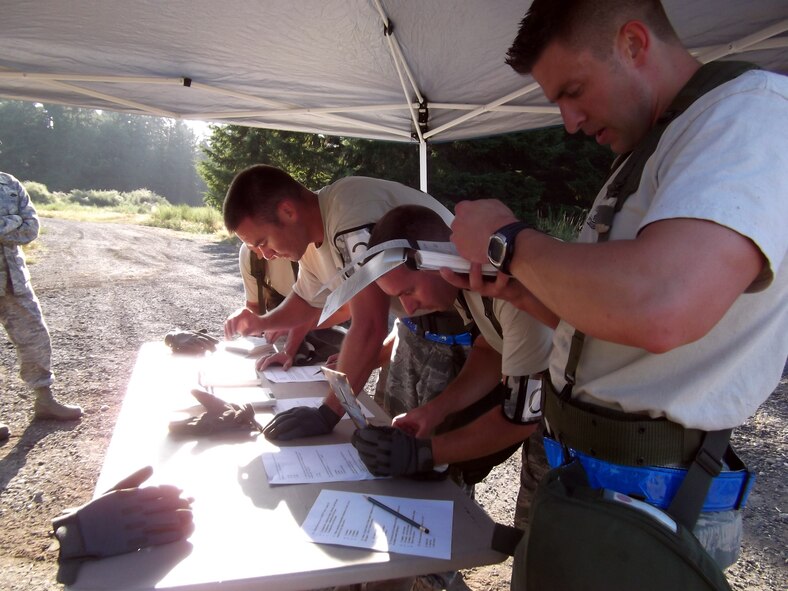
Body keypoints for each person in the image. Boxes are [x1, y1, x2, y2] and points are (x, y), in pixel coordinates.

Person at [444, 0, 787, 574]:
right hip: (594, 480)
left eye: (573, 90)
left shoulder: (747, 115)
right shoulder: (658, 146)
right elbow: (617, 329)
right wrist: (524, 295)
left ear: (633, 43)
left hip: (655, 498)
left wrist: (508, 239)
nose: (570, 121)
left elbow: (661, 309)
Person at [222, 165, 473, 444]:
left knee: (437, 461)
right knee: (399, 440)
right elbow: (307, 301)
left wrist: (327, 413)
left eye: (262, 242)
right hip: (417, 329)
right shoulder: (310, 238)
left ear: (287, 212)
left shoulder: (351, 215)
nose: (264, 255)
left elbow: (369, 326)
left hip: (461, 331)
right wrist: (263, 322)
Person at [349, 205, 554, 532]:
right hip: (553, 392)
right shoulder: (462, 282)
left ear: (436, 259)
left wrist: (424, 453)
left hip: (594, 415)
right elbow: (490, 348)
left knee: (545, 527)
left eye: (408, 291)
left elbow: (520, 419)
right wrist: (435, 411)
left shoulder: (508, 289)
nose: (409, 308)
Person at [1, 172, 83, 441]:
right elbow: (19, 226)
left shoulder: (9, 184)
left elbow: (30, 229)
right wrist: (12, 222)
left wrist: (13, 223)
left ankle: (45, 402)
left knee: (36, 338)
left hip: (14, 282)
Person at [227, 243, 345, 370]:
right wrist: (248, 320)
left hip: (331, 322)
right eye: (251, 245)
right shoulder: (250, 256)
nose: (263, 255)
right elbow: (254, 306)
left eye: (261, 242)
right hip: (296, 328)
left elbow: (343, 309)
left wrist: (285, 325)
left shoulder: (305, 248)